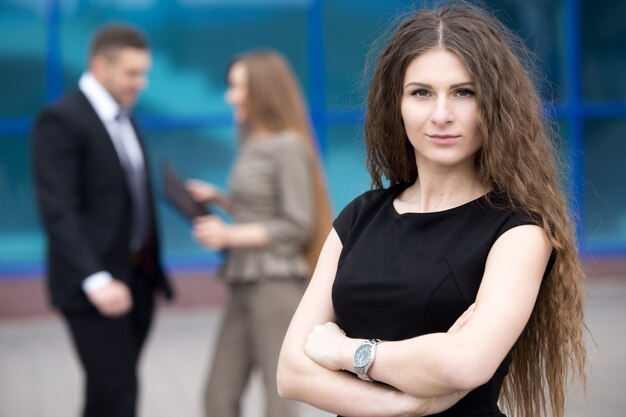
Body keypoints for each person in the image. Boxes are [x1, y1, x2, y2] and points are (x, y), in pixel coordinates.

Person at [277, 4, 587, 417]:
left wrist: (345, 351)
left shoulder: (520, 231)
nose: (442, 115)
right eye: (421, 92)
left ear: (494, 105)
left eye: (464, 92)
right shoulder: (358, 218)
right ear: (397, 104)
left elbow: (466, 363)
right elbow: (290, 373)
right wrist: (404, 405)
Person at [31, 24, 173, 417]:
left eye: (143, 73)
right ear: (99, 66)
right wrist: (96, 280)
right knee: (118, 393)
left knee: (108, 394)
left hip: (137, 282)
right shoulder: (60, 119)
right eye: (132, 73)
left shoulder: (124, 117)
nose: (140, 83)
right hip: (94, 287)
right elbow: (58, 209)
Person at [187, 49, 333, 417]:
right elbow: (262, 209)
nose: (229, 95)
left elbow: (296, 224)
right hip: (242, 282)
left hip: (276, 285)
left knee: (277, 400)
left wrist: (228, 236)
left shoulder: (288, 147)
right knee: (218, 397)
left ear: (262, 91)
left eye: (237, 87)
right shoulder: (253, 141)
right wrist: (220, 199)